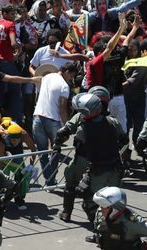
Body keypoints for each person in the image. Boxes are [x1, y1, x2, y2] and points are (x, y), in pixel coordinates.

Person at [70, 93, 128, 242]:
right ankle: (121, 232)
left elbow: (78, 146)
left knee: (91, 203)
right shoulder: (112, 121)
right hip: (116, 168)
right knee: (116, 203)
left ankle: (101, 234)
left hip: (98, 171)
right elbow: (124, 139)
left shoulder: (83, 129)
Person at [54, 86, 111, 222]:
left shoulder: (81, 116)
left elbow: (64, 131)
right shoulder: (110, 120)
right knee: (97, 189)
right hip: (103, 161)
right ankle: (95, 220)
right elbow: (122, 140)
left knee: (71, 184)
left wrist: (57, 144)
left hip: (83, 158)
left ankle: (67, 213)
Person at [33, 62, 77, 186]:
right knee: (55, 149)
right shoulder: (64, 85)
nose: (71, 79)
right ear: (67, 72)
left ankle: (49, 180)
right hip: (53, 120)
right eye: (71, 76)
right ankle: (51, 180)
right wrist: (66, 125)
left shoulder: (47, 77)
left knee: (42, 152)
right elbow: (62, 108)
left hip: (37, 116)